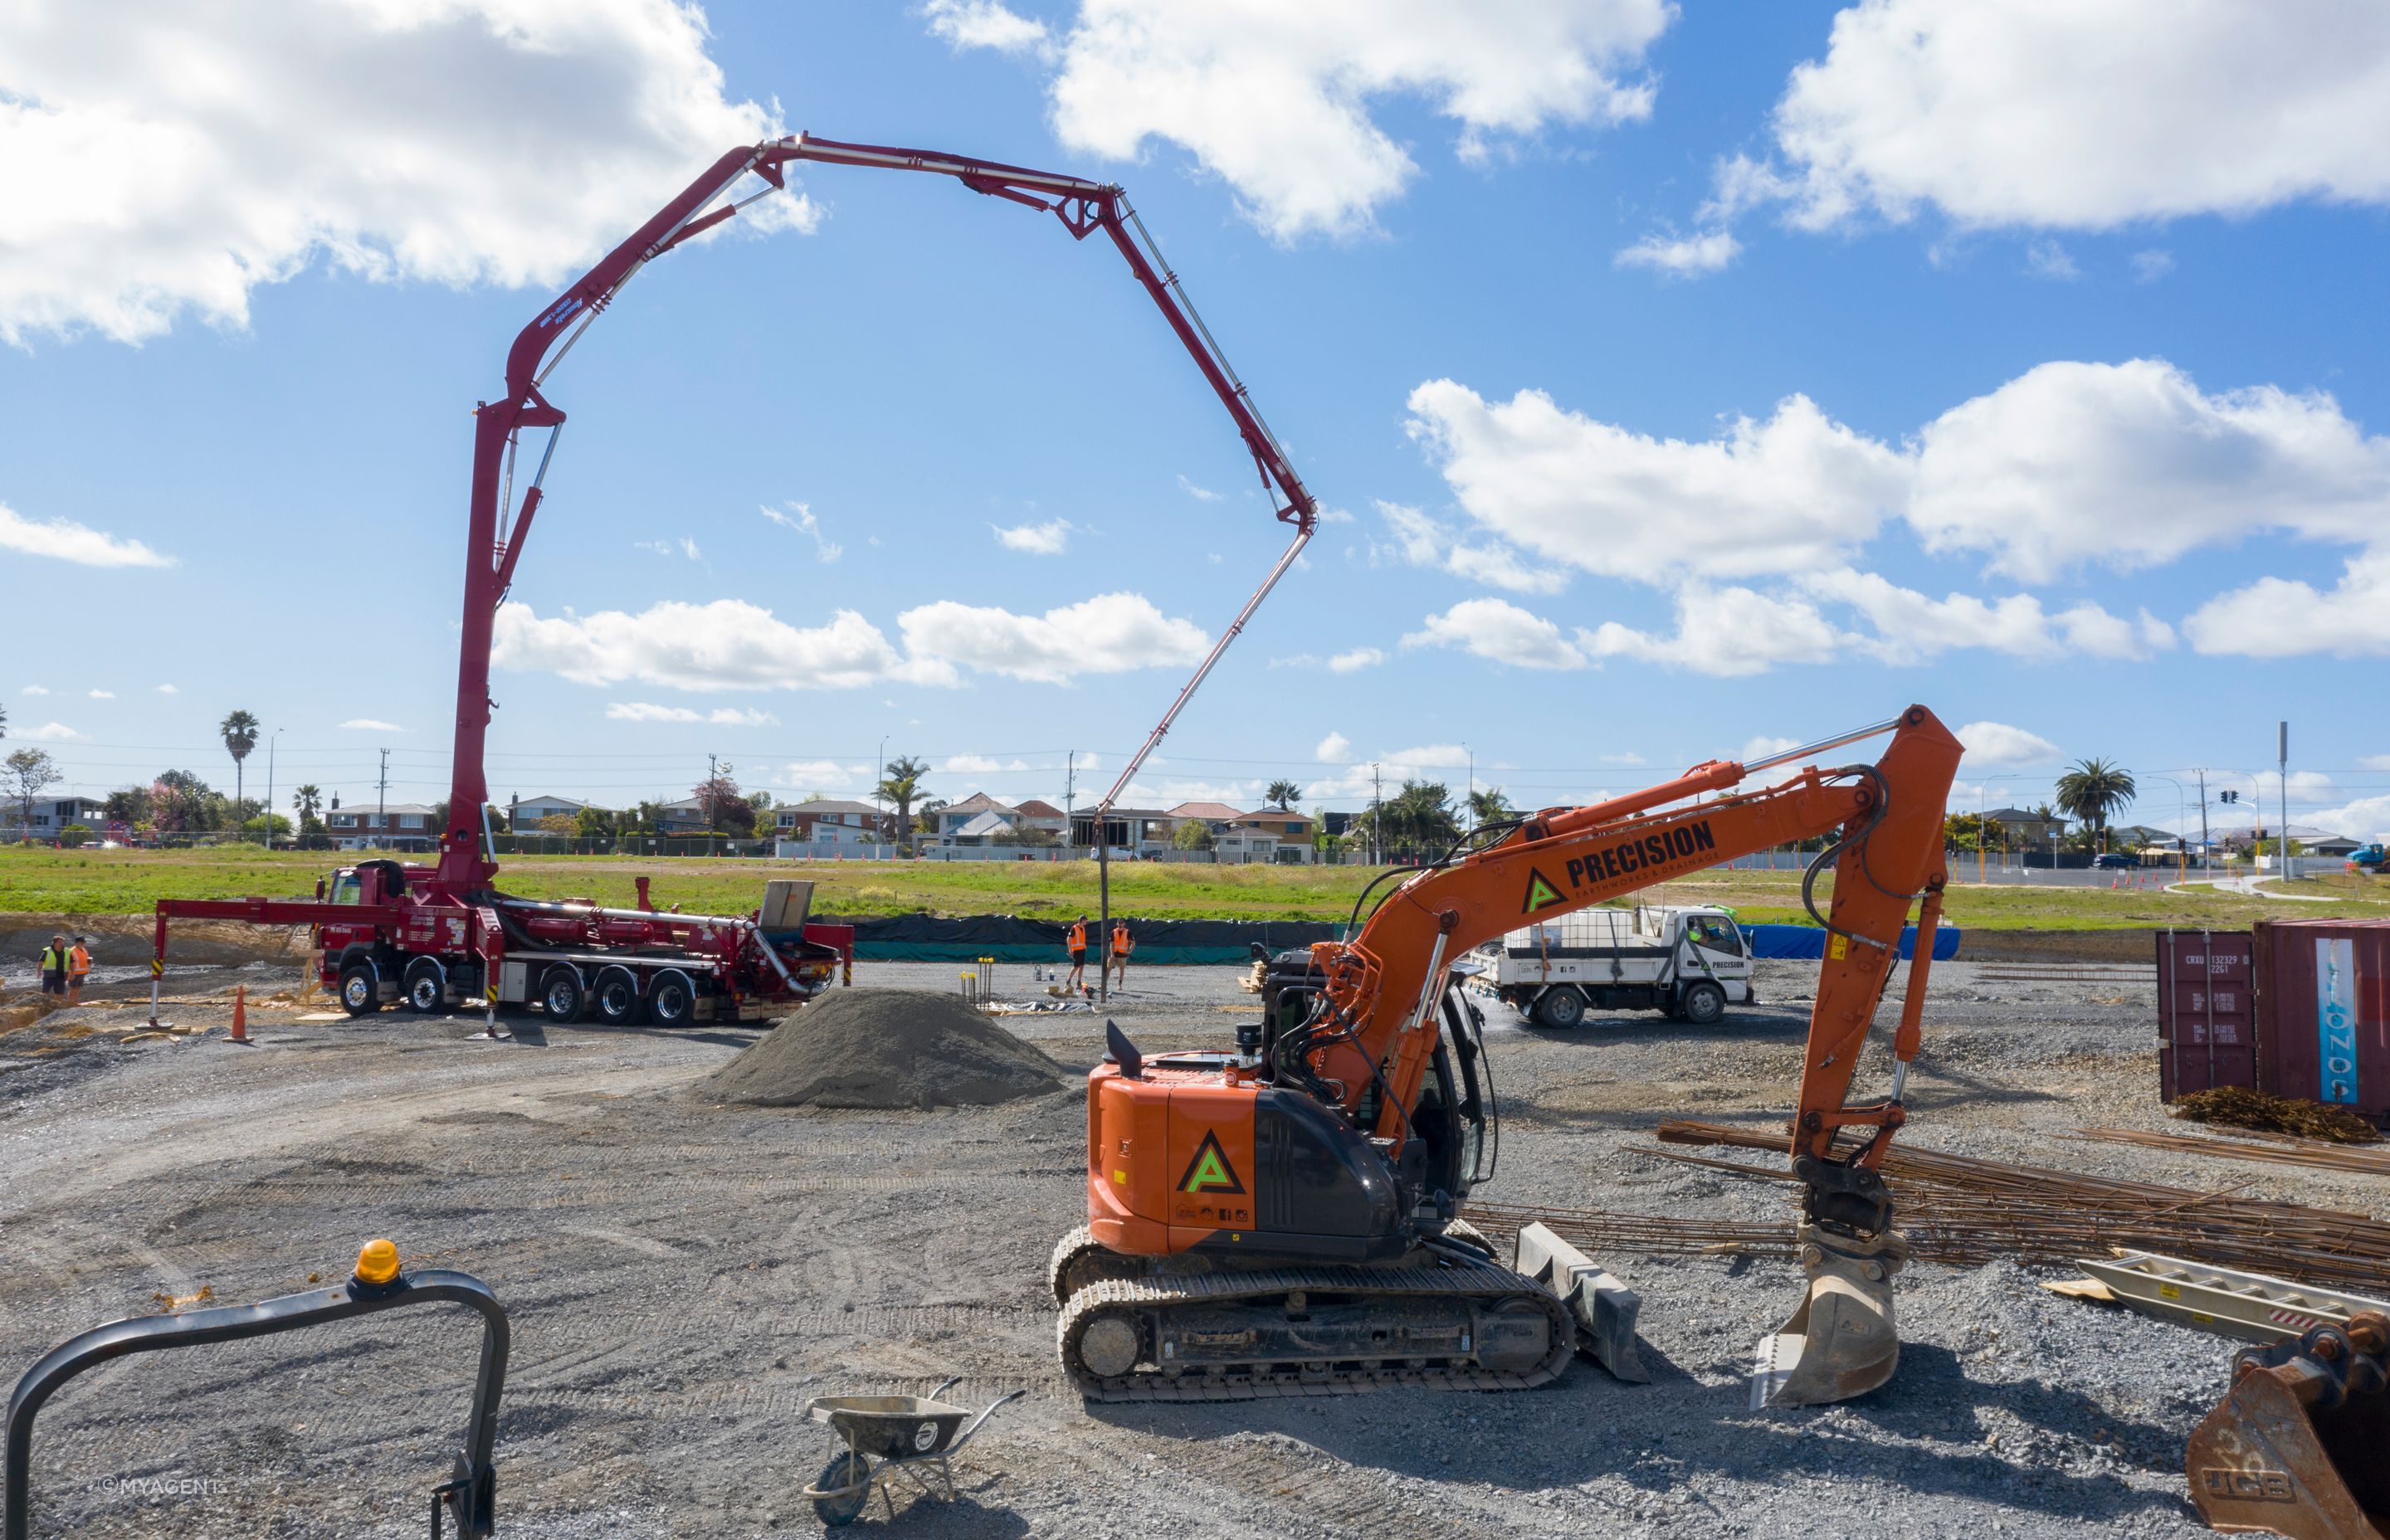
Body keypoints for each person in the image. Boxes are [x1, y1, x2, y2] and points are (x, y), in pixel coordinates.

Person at [37, 934, 69, 998]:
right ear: (54, 943)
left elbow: (71, 962)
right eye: (59, 942)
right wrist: (38, 971)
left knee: (59, 993)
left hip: (61, 975)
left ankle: (57, 1006)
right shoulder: (47, 951)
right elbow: (41, 962)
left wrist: (72, 972)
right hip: (49, 975)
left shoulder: (66, 951)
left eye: (62, 942)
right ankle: (44, 1005)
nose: (61, 944)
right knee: (45, 992)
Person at [1065, 914, 1090, 992]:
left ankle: (1079, 982)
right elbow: (1068, 939)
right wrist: (1070, 949)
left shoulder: (1083, 928)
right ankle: (1068, 980)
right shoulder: (1074, 928)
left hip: (1082, 950)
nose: (1086, 921)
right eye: (1086, 920)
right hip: (1076, 950)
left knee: (1081, 966)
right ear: (1082, 920)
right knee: (1076, 966)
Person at [1109, 919, 1134, 992]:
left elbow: (1133, 943)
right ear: (1117, 924)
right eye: (1119, 923)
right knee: (1108, 969)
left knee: (1121, 970)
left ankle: (1119, 985)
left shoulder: (1128, 932)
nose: (1120, 924)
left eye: (1121, 923)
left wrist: (1129, 951)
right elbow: (1111, 944)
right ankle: (1103, 984)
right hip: (1114, 954)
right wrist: (1112, 954)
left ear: (1124, 924)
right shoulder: (1114, 932)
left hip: (1123, 954)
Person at [66, 935, 91, 1006]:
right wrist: (70, 973)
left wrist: (88, 966)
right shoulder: (71, 951)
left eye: (84, 942)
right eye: (82, 942)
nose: (84, 943)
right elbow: (68, 963)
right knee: (73, 989)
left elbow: (86, 960)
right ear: (77, 942)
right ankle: (70, 1003)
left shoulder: (84, 950)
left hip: (82, 972)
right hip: (74, 973)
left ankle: (75, 1002)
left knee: (77, 988)